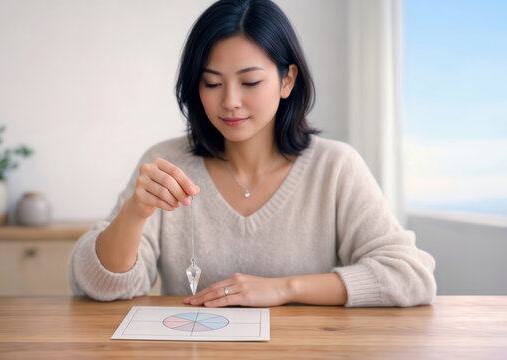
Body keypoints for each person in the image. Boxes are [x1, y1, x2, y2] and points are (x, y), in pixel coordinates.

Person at [69, 0, 436, 307]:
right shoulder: (167, 163)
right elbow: (96, 284)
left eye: (250, 82)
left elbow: (411, 276)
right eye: (212, 83)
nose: (229, 102)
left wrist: (283, 288)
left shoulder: (335, 167)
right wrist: (136, 212)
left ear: (287, 80)